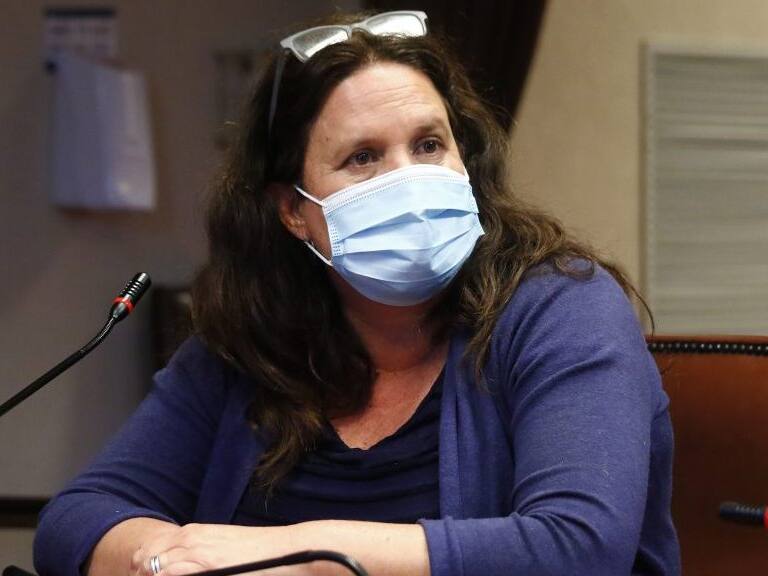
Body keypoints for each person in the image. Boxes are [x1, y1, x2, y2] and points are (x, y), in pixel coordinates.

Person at [34, 10, 680, 576]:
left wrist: (307, 555)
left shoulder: (561, 308)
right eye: (363, 158)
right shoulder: (250, 343)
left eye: (429, 144)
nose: (409, 179)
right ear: (292, 209)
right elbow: (76, 519)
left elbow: (578, 549)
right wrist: (162, 559)